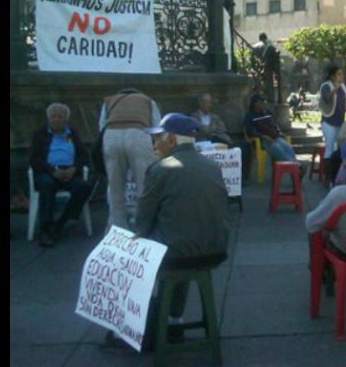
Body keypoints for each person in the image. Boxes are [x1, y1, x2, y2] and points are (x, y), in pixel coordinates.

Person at [105, 113, 230, 347]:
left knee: (132, 251)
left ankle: (129, 327)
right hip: (215, 250)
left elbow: (142, 222)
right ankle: (173, 318)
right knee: (179, 241)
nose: (154, 144)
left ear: (171, 140)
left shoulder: (160, 169)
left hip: (178, 253)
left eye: (158, 138)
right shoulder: (213, 166)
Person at [29, 103, 92, 247]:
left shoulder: (71, 134)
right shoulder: (40, 134)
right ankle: (46, 228)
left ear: (66, 119)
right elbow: (34, 159)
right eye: (54, 116)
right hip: (47, 172)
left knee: (84, 187)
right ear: (48, 118)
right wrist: (52, 171)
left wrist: (74, 168)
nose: (57, 119)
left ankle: (62, 222)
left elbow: (83, 155)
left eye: (60, 116)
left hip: (69, 172)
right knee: (47, 184)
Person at [100, 88, 161, 231]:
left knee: (115, 186)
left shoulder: (109, 101)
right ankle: (144, 227)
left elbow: (102, 126)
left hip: (111, 135)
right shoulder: (147, 100)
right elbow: (157, 126)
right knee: (144, 185)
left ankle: (117, 228)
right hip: (138, 134)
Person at [191, 92, 252, 182]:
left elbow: (222, 128)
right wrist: (213, 126)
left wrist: (211, 128)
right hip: (207, 143)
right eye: (207, 102)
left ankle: (242, 177)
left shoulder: (214, 115)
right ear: (201, 103)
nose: (209, 105)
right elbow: (204, 131)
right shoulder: (195, 116)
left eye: (210, 102)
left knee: (245, 147)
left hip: (220, 139)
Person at [244, 95, 304, 171]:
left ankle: (297, 168)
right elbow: (250, 131)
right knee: (277, 148)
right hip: (262, 141)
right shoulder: (250, 116)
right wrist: (262, 136)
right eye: (261, 102)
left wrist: (279, 132)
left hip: (275, 137)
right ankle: (297, 166)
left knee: (287, 146)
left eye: (264, 102)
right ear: (255, 104)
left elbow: (274, 125)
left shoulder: (267, 113)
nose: (263, 103)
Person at [318, 65, 346, 186]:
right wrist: (335, 88)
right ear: (333, 76)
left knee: (339, 148)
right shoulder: (326, 86)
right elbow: (326, 99)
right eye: (339, 74)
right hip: (329, 121)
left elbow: (342, 103)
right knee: (329, 147)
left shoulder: (344, 87)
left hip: (340, 121)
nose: (341, 76)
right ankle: (327, 177)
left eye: (342, 74)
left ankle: (337, 174)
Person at [253, 33, 280, 102]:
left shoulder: (254, 47)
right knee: (268, 85)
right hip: (268, 69)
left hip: (257, 70)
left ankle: (258, 99)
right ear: (266, 38)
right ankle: (269, 100)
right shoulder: (270, 47)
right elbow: (274, 60)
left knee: (258, 85)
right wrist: (276, 72)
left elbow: (252, 61)